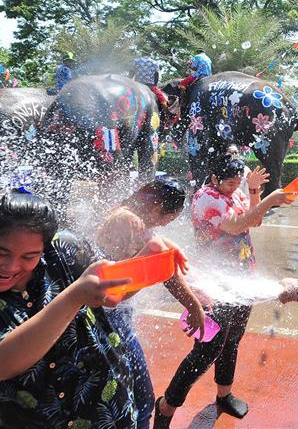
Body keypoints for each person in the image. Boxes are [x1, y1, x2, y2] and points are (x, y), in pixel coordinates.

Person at [0, 189, 188, 428]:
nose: (10, 266)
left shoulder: (64, 250)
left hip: (112, 414)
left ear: (43, 247)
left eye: (29, 257)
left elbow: (110, 294)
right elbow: (0, 362)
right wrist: (73, 297)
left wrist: (146, 259)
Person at [154, 154, 292, 426]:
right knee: (206, 350)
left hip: (242, 278)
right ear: (215, 178)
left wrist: (253, 191)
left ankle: (224, 395)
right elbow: (236, 225)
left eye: (238, 182)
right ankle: (166, 406)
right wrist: (269, 200)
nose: (234, 187)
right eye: (230, 183)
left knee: (232, 341)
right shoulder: (207, 198)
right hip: (214, 285)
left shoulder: (234, 192)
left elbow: (255, 220)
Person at [95, 179, 206, 429]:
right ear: (157, 209)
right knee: (142, 398)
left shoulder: (126, 214)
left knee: (117, 391)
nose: (167, 224)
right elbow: (162, 271)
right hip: (111, 318)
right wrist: (193, 305)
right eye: (169, 218)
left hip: (109, 314)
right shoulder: (130, 222)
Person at [170, 53, 212, 120]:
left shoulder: (197, 56)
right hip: (209, 75)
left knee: (182, 84)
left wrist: (189, 65)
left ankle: (183, 100)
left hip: (199, 74)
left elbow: (194, 68)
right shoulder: (208, 58)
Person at [131, 54, 171, 125]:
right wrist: (155, 85)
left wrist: (129, 81)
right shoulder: (154, 63)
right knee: (162, 98)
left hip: (137, 83)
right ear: (149, 55)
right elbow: (156, 76)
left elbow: (131, 73)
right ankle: (166, 114)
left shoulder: (136, 61)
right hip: (150, 86)